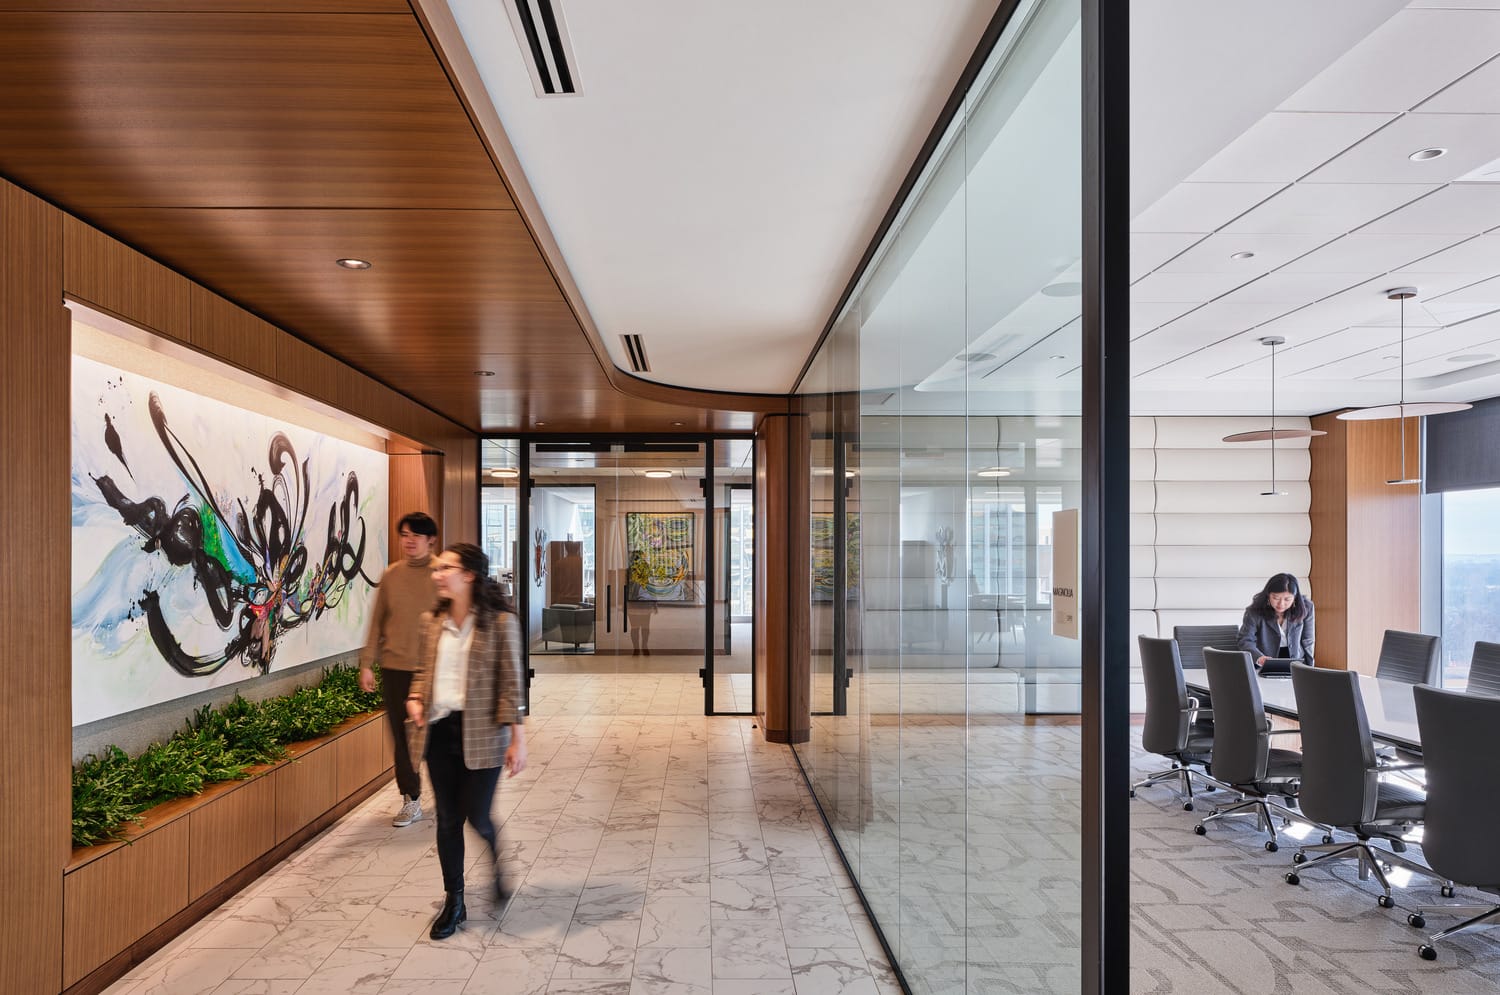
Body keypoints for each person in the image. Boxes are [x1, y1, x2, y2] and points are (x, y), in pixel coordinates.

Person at [405, 542, 527, 940]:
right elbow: (422, 671)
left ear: (469, 575)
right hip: (439, 731)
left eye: (446, 568)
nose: (437, 574)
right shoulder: (430, 621)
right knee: (447, 819)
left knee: (477, 814)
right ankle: (454, 900)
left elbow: (511, 684)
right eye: (437, 568)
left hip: (483, 733)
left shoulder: (500, 622)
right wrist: (415, 697)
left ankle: (496, 860)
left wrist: (518, 739)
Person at [359, 511, 439, 827]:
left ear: (430, 540)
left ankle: (447, 793)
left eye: (416, 535)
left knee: (436, 737)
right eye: (404, 535)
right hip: (395, 668)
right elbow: (376, 622)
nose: (409, 541)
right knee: (402, 739)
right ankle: (411, 797)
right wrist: (367, 664)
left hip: (432, 671)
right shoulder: (391, 575)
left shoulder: (441, 574)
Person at [1237, 572, 1315, 669]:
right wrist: (1259, 657)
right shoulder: (1255, 611)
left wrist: (1310, 668)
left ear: (1295, 598)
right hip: (1265, 660)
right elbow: (1245, 639)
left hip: (1296, 660)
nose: (1281, 604)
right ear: (1268, 595)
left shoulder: (1306, 607)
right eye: (1276, 598)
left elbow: (1308, 640)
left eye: (1287, 599)